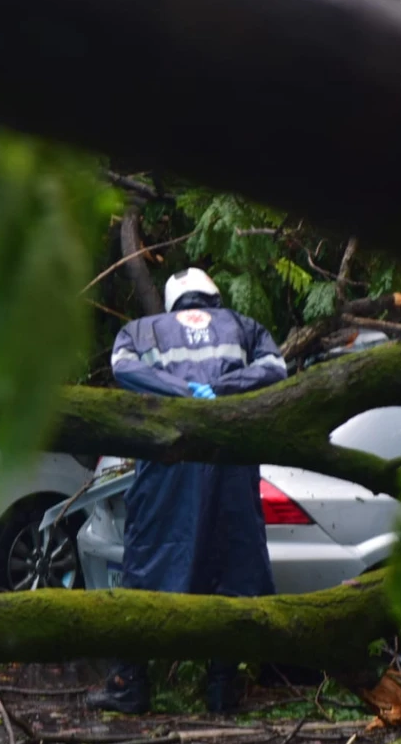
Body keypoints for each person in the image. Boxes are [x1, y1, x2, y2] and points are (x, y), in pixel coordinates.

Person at [86, 267, 288, 715]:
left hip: (167, 461)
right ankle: (222, 688)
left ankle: (129, 684)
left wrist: (181, 393)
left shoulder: (142, 329)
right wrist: (217, 391)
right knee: (230, 566)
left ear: (173, 301)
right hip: (229, 457)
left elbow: (123, 369)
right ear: (213, 298)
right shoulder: (243, 326)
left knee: (150, 562)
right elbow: (276, 368)